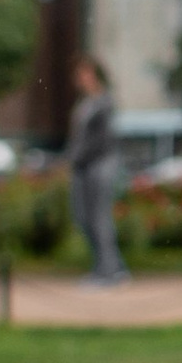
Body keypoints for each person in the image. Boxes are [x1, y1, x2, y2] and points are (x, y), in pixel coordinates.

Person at [66, 56, 129, 285]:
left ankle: (109, 271)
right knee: (83, 217)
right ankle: (109, 265)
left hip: (100, 165)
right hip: (83, 166)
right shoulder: (84, 103)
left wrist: (79, 156)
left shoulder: (104, 102)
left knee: (99, 218)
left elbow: (101, 140)